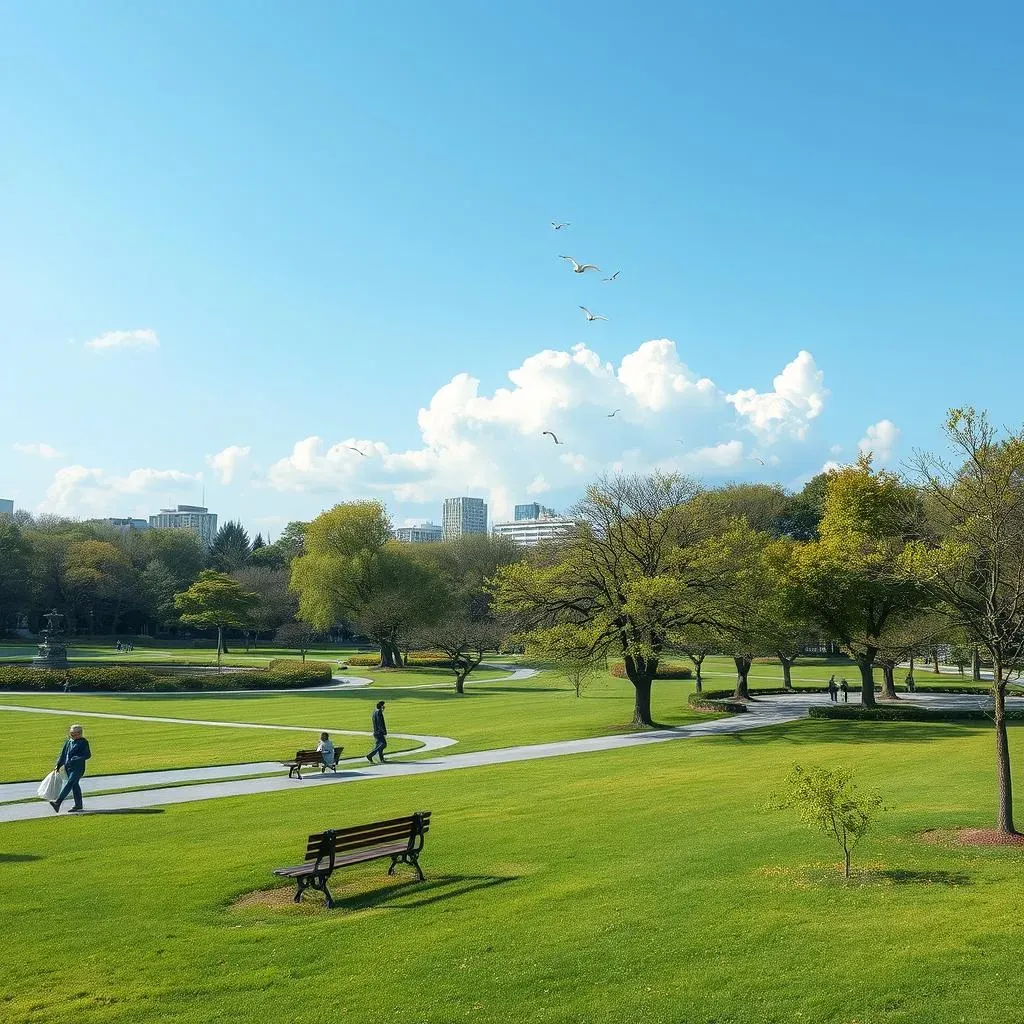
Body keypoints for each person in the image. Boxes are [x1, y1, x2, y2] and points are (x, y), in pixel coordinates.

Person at [50, 724, 91, 814]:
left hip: (78, 768)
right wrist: (58, 765)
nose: (72, 735)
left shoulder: (83, 742)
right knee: (74, 785)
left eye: (74, 734)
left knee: (70, 783)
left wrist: (78, 758)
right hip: (68, 768)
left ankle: (58, 802)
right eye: (71, 734)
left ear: (80, 733)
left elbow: (88, 755)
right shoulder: (68, 742)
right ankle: (78, 805)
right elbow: (63, 755)